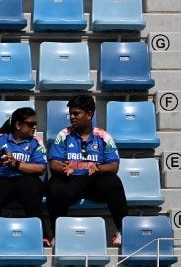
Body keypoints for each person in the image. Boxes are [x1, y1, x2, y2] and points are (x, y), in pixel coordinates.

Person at [46, 94, 129, 247]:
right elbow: (53, 164)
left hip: (94, 182)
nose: (72, 117)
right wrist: (64, 168)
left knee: (113, 182)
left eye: (76, 113)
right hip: (71, 181)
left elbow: (114, 166)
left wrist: (98, 168)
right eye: (70, 113)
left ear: (89, 115)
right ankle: (58, 233)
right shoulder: (63, 135)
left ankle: (122, 231)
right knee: (55, 186)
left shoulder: (103, 136)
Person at [0, 107, 49, 248]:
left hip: (27, 179)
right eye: (30, 124)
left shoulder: (36, 142)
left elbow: (41, 168)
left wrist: (16, 164)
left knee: (31, 190)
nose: (34, 127)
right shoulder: (0, 139)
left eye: (35, 124)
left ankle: (41, 236)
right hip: (3, 178)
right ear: (18, 125)